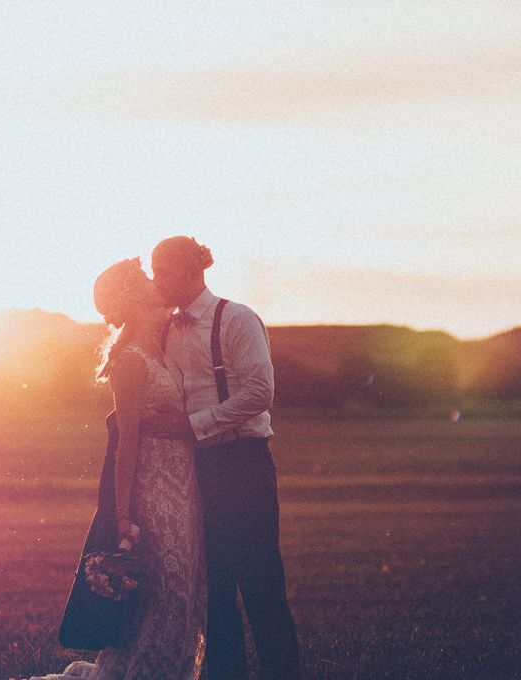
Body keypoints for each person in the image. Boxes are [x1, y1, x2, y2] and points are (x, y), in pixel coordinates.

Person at [23, 257, 206, 680]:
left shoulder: (167, 344)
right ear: (131, 295)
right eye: (144, 277)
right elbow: (126, 443)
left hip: (186, 485)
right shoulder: (130, 361)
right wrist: (123, 518)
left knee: (186, 591)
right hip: (156, 492)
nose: (153, 280)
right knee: (166, 591)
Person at [151, 236, 300, 679]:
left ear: (193, 271)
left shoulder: (237, 319)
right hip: (200, 469)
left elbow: (260, 393)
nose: (157, 280)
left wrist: (195, 424)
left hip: (245, 464)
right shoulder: (167, 329)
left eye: (164, 270)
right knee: (213, 589)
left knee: (261, 582)